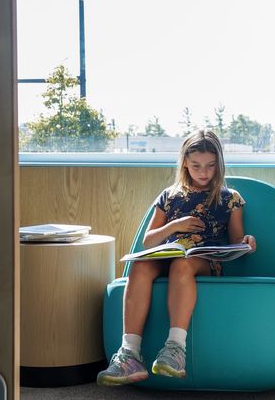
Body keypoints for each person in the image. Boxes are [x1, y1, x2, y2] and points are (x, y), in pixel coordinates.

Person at [97, 129, 257, 386]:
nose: (203, 172)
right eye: (196, 166)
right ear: (185, 163)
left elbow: (237, 239)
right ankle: (129, 354)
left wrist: (246, 242)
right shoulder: (170, 196)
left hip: (202, 260)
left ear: (220, 165)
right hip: (169, 254)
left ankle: (175, 350)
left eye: (210, 166)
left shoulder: (230, 198)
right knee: (140, 265)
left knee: (182, 264)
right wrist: (174, 226)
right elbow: (148, 240)